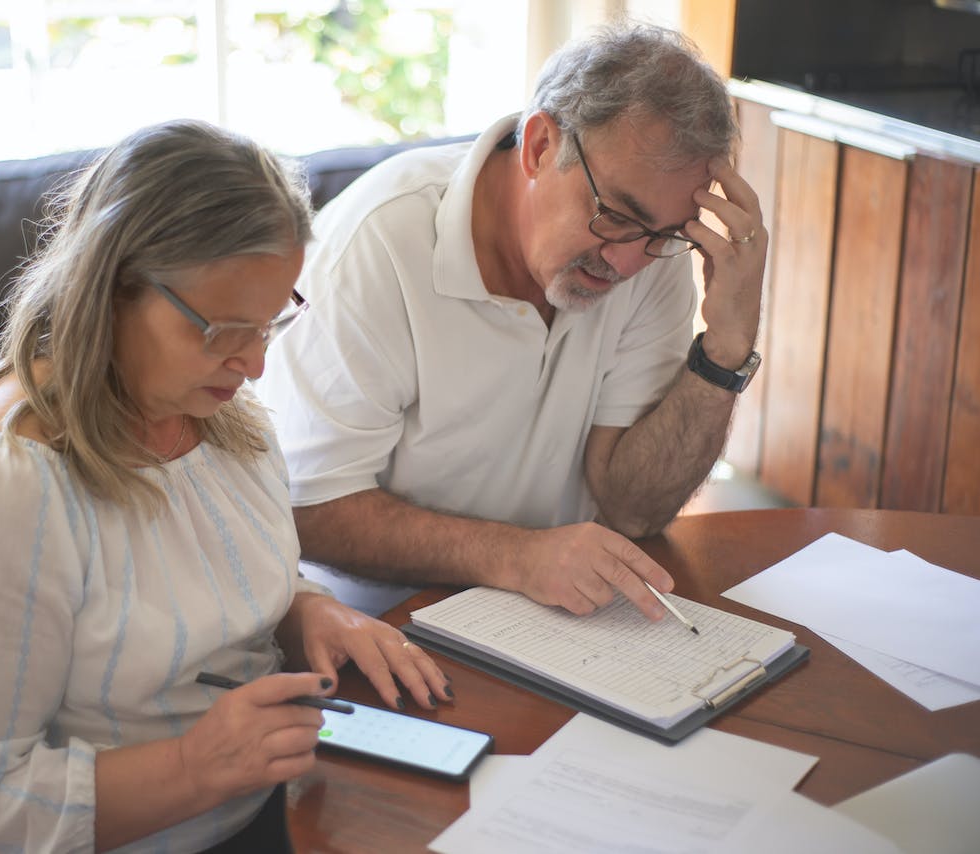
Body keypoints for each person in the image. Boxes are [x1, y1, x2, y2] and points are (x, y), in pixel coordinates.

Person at [0, 119, 451, 854]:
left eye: (270, 322)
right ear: (111, 288)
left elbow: (203, 579)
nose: (253, 365)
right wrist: (193, 767)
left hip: (268, 807)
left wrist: (304, 609)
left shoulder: (218, 417)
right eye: (220, 330)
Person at [257, 22, 768, 620]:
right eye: (616, 215)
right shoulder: (378, 247)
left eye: (664, 234)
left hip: (557, 618)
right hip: (382, 628)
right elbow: (309, 508)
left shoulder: (652, 258)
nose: (628, 262)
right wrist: (519, 557)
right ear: (539, 147)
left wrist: (725, 350)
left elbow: (635, 511)